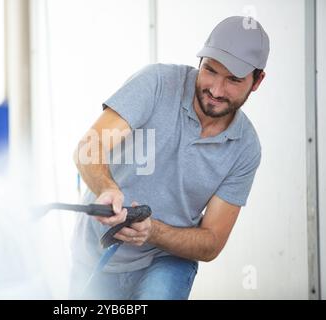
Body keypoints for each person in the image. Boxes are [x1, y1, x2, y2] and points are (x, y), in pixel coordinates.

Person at [70, 16, 270, 300]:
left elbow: (211, 242)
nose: (215, 90)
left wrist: (151, 232)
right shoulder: (157, 83)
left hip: (165, 259)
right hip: (94, 253)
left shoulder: (245, 148)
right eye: (210, 70)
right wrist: (107, 188)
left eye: (233, 80)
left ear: (257, 80)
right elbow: (88, 148)